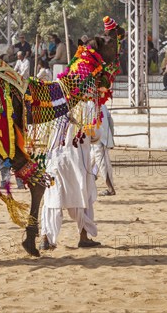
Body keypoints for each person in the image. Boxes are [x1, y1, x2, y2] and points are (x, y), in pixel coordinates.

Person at [40, 105, 101, 250]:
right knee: (81, 197)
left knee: (52, 198)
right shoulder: (89, 105)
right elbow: (96, 135)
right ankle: (83, 237)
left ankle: (46, 238)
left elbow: (43, 135)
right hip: (77, 160)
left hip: (55, 159)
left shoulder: (53, 103)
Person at [93, 104, 116, 197]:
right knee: (92, 161)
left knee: (102, 163)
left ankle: (110, 188)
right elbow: (110, 121)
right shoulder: (102, 104)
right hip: (101, 138)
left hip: (97, 138)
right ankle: (91, 179)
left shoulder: (91, 104)